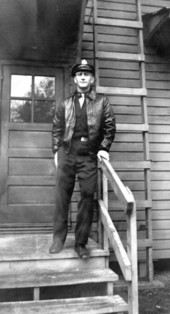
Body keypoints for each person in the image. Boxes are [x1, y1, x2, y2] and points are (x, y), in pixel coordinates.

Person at [49, 59, 116, 259]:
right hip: (67, 155)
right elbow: (57, 129)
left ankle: (80, 243)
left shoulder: (102, 102)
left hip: (88, 156)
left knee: (87, 198)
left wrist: (103, 148)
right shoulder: (66, 104)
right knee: (62, 197)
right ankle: (58, 240)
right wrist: (55, 150)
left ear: (92, 79)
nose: (83, 77)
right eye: (80, 74)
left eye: (87, 74)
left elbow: (110, 128)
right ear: (75, 79)